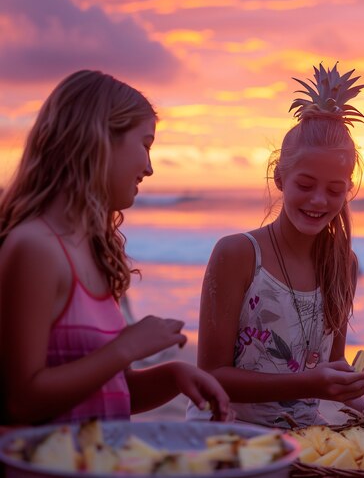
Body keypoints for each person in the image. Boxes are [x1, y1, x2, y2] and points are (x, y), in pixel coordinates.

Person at [0, 70, 229, 425]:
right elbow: (21, 400)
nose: (149, 168)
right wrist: (128, 346)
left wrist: (173, 378)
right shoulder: (34, 249)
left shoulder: (92, 252)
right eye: (145, 144)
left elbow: (104, 391)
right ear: (100, 139)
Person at [190, 63, 364, 428]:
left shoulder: (343, 264)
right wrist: (309, 382)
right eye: (305, 185)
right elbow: (211, 375)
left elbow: (328, 369)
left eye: (335, 190)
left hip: (304, 442)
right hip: (229, 437)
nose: (319, 200)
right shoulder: (238, 254)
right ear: (279, 176)